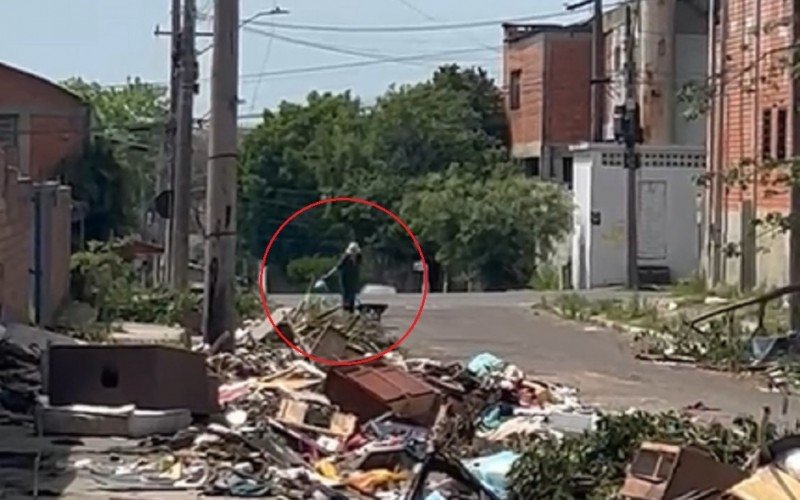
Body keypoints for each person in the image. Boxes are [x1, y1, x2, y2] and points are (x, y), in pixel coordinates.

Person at [322, 242, 362, 313]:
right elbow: (337, 267)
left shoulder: (358, 258)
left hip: (353, 280)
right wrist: (328, 275)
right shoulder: (345, 258)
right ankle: (345, 313)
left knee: (352, 297)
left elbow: (357, 269)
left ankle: (351, 313)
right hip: (345, 279)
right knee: (346, 296)